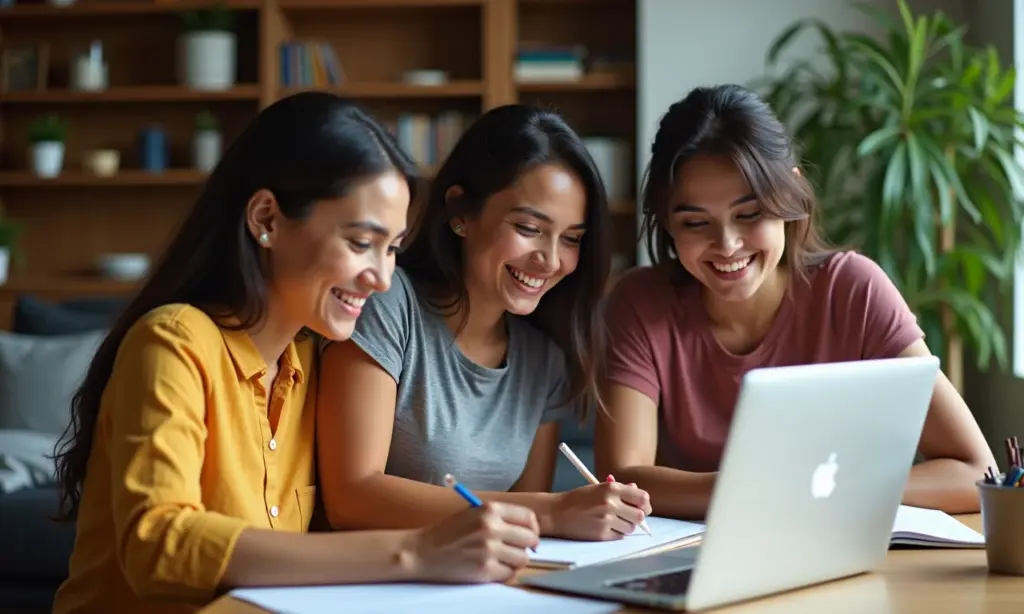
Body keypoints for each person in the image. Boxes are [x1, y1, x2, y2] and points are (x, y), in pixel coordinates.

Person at [50, 92, 541, 614]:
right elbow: (158, 544)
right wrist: (415, 551)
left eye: (392, 247)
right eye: (359, 242)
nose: (381, 278)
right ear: (267, 218)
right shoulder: (173, 342)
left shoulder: (306, 362)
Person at [595, 84, 997, 520]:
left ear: (790, 196)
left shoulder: (853, 291)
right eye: (695, 223)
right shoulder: (639, 303)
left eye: (750, 215)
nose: (726, 245)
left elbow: (976, 472)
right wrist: (781, 487)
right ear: (667, 223)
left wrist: (820, 489)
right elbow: (622, 479)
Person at [317, 104, 652, 541]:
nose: (550, 260)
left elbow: (523, 531)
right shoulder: (385, 301)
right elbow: (352, 498)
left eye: (571, 239)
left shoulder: (543, 357)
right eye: (529, 228)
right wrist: (550, 511)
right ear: (461, 213)